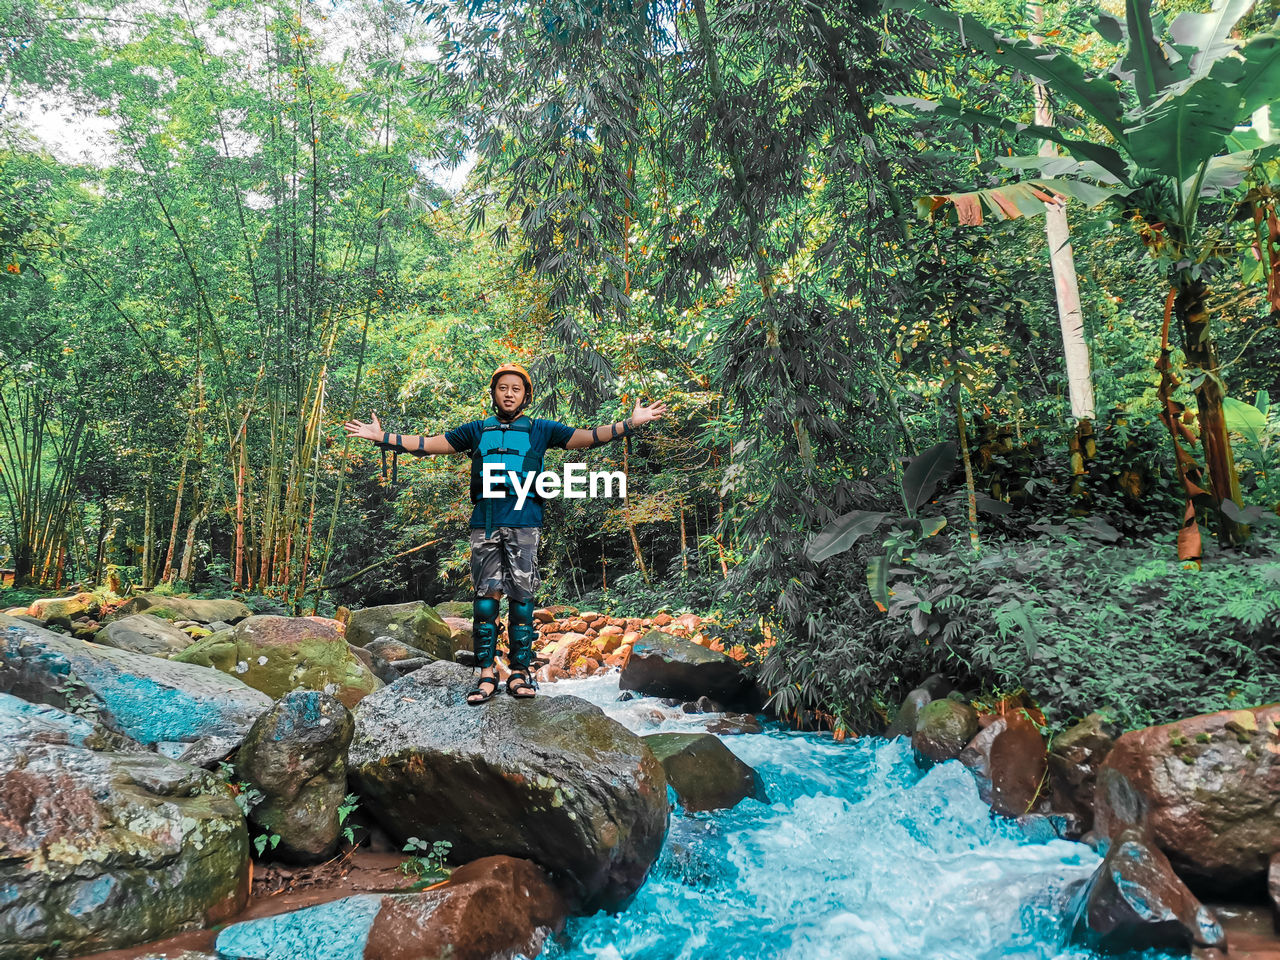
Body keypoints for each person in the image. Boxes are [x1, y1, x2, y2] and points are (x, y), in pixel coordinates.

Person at [344, 362, 667, 703]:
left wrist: (630, 423)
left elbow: (587, 438)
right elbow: (428, 444)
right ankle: (485, 674)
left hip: (525, 522)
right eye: (503, 388)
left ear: (526, 395)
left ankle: (519, 672)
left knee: (522, 600)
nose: (509, 393)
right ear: (494, 393)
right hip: (485, 521)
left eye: (516, 388)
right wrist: (382, 437)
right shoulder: (476, 431)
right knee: (485, 601)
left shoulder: (541, 429)